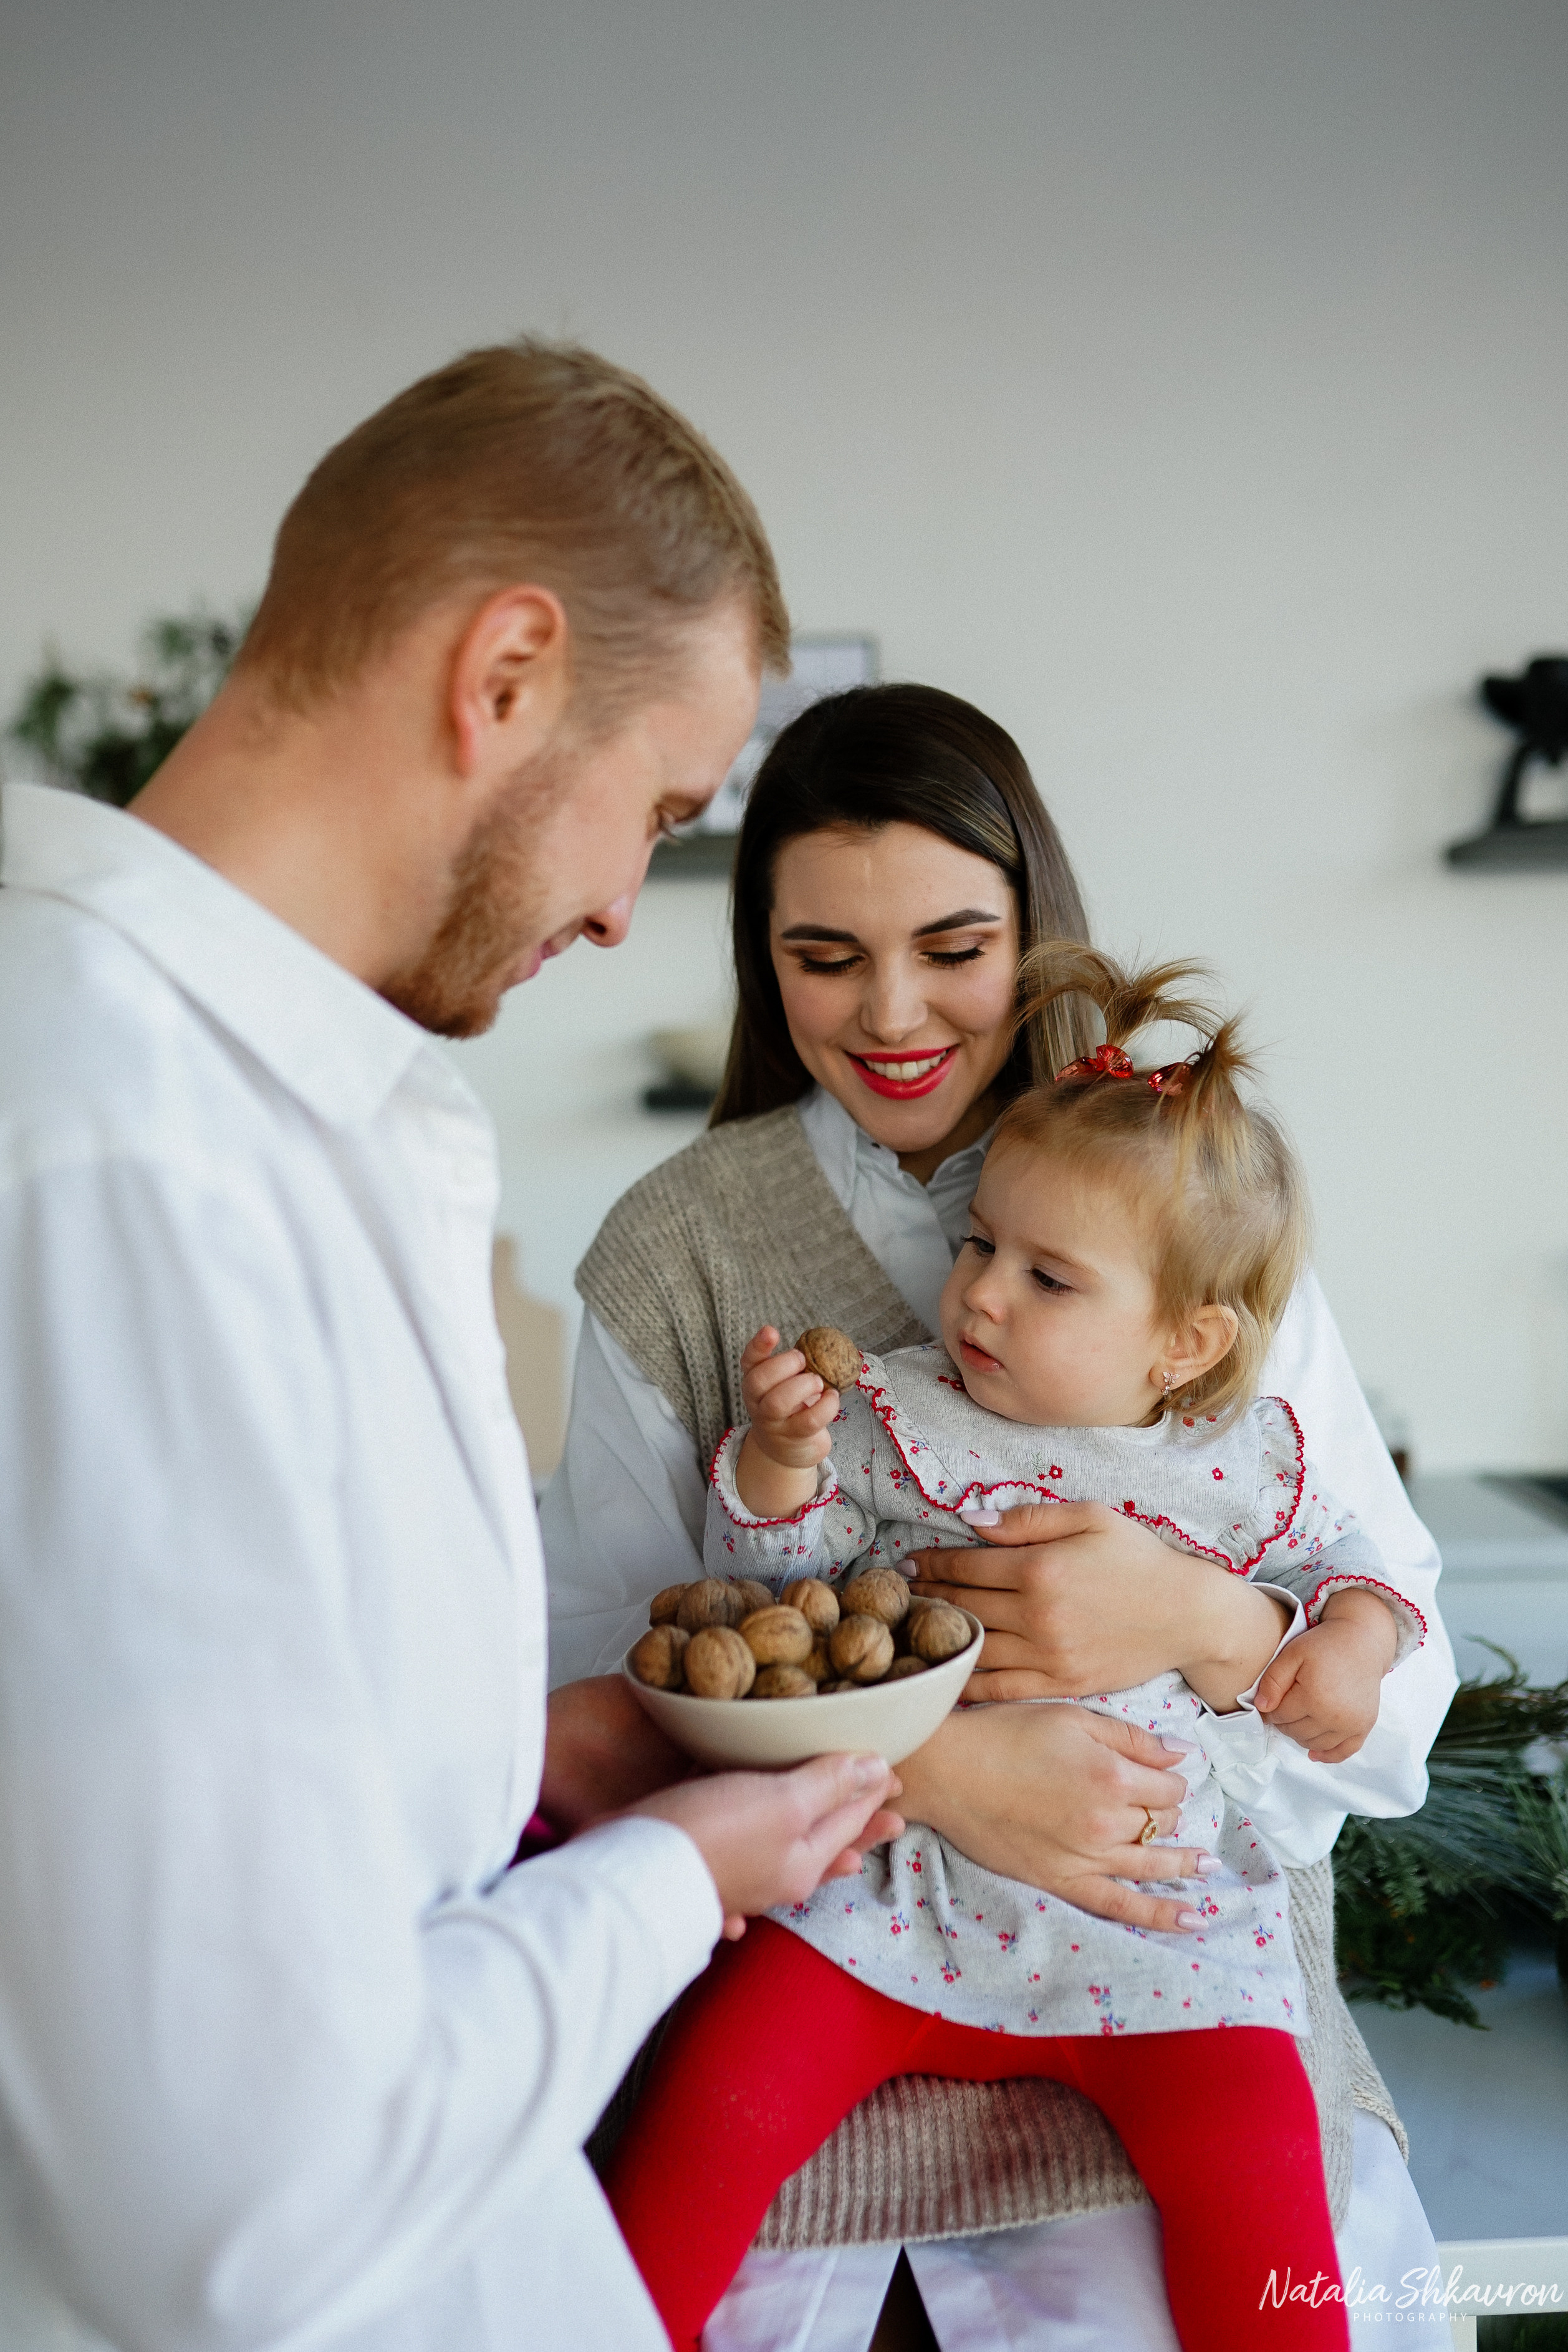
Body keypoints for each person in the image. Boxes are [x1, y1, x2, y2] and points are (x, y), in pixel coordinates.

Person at [0, 339, 905, 2352]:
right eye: (658, 808)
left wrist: (530, 1768)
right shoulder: (115, 1153)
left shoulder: (278, 1105)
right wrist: (678, 1872)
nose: (615, 913)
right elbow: (240, 2212)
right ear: (503, 675)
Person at [541, 685, 1460, 2345]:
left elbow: (1381, 1664)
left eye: (953, 945)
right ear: (759, 957)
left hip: (1166, 1977)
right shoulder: (681, 1255)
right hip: (849, 2042)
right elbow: (594, 1695)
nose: (893, 1008)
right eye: (824, 957)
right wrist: (923, 1760)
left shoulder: (1188, 1203)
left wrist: (1208, 1624)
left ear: (1032, 926)